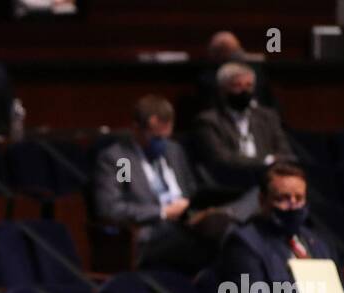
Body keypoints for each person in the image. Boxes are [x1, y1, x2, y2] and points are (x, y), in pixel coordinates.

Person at [92, 95, 248, 273]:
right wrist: (163, 212)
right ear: (136, 129)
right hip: (153, 231)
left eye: (166, 136)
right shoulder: (123, 161)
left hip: (189, 222)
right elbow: (114, 207)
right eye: (155, 137)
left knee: (237, 227)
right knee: (222, 240)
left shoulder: (173, 151)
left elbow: (191, 191)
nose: (162, 143)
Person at [217, 163, 344, 293]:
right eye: (283, 198)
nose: (293, 205)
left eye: (299, 198)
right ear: (262, 200)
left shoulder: (317, 242)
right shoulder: (244, 243)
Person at [193, 62, 295, 174]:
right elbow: (222, 158)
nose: (244, 91)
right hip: (231, 178)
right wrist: (266, 161)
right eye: (237, 86)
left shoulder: (267, 117)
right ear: (222, 90)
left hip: (268, 177)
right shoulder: (209, 121)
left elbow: (285, 153)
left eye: (249, 85)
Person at [195, 31, 277, 111]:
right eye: (236, 85)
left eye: (248, 85)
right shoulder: (208, 79)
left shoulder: (257, 73)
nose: (244, 89)